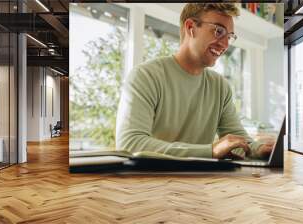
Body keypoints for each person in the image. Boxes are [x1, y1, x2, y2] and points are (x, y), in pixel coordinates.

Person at [116, 3, 273, 159]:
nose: (225, 44)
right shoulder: (146, 76)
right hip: (150, 181)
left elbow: (238, 140)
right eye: (219, 31)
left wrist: (260, 149)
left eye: (229, 37)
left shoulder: (220, 87)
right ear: (191, 27)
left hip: (202, 183)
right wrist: (210, 151)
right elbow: (130, 144)